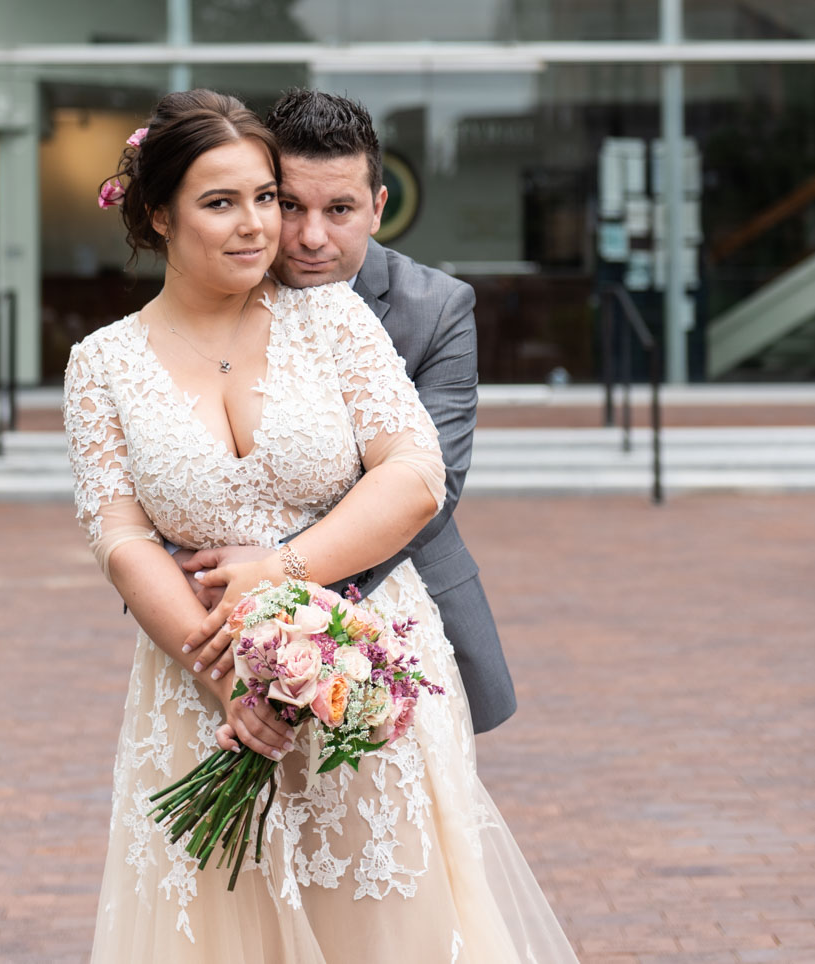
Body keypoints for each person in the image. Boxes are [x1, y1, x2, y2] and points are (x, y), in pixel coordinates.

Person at [65, 88, 579, 963]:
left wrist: (283, 568)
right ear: (158, 215)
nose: (259, 226)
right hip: (201, 690)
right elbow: (120, 539)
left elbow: (416, 477)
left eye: (263, 197)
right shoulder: (102, 363)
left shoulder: (332, 317)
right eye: (222, 203)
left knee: (387, 925)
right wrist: (227, 677)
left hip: (367, 674)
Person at [178, 88, 515, 737]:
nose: (310, 237)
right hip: (223, 639)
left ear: (378, 207)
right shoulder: (210, 300)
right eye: (291, 206)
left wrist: (271, 574)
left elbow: (431, 487)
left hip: (400, 609)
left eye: (339, 210)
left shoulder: (437, 309)